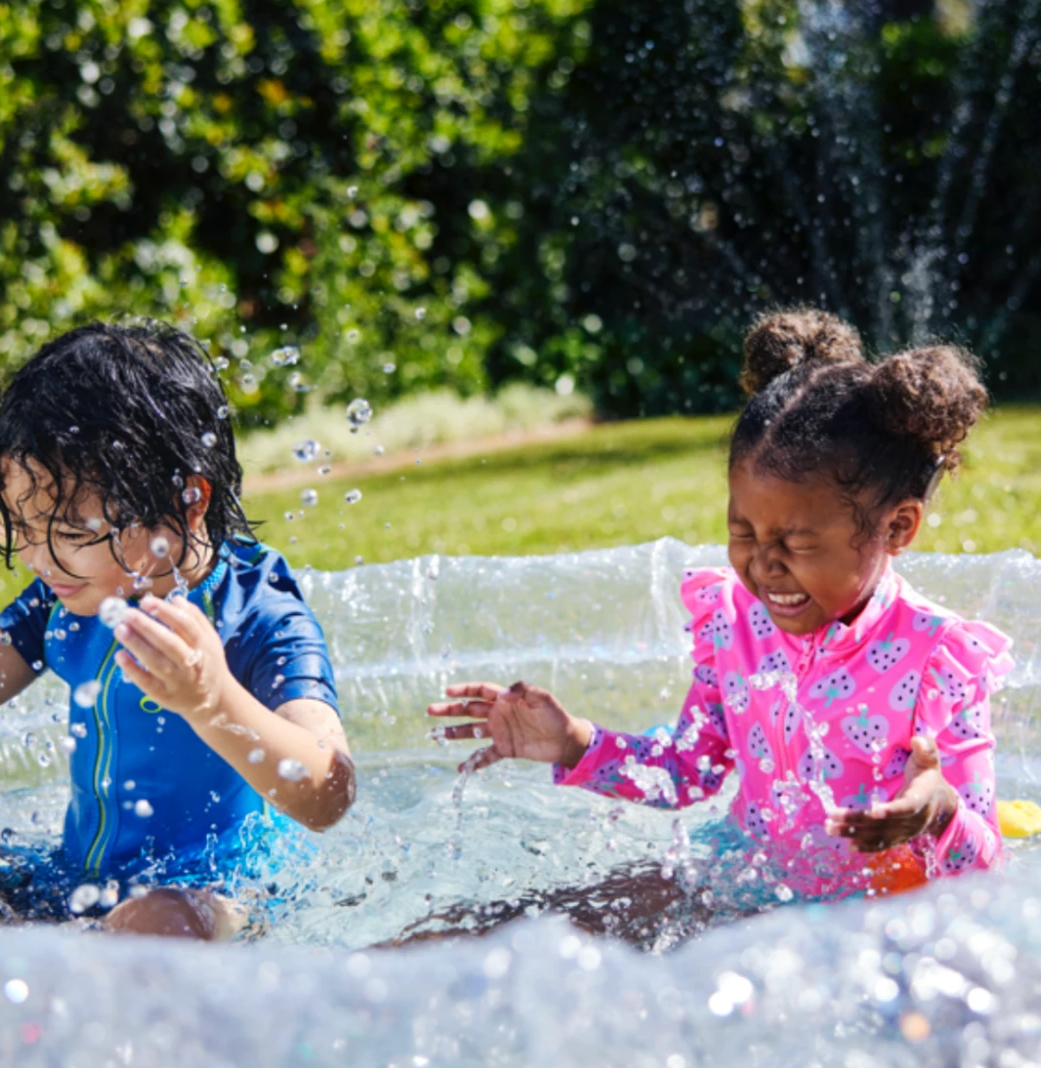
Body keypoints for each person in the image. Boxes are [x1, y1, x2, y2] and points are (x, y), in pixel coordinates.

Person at [427, 309, 1011, 915]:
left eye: (798, 543)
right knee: (536, 921)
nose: (764, 566)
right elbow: (688, 770)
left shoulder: (937, 657)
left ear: (897, 527)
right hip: (747, 876)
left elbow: (989, 866)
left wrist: (940, 813)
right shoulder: (735, 618)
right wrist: (575, 743)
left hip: (875, 913)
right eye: (743, 532)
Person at [0, 322, 353, 940]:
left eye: (67, 532)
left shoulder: (257, 611)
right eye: (25, 528)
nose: (38, 559)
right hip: (75, 886)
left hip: (216, 901)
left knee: (154, 921)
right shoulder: (74, 596)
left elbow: (329, 790)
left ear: (189, 499)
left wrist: (212, 700)